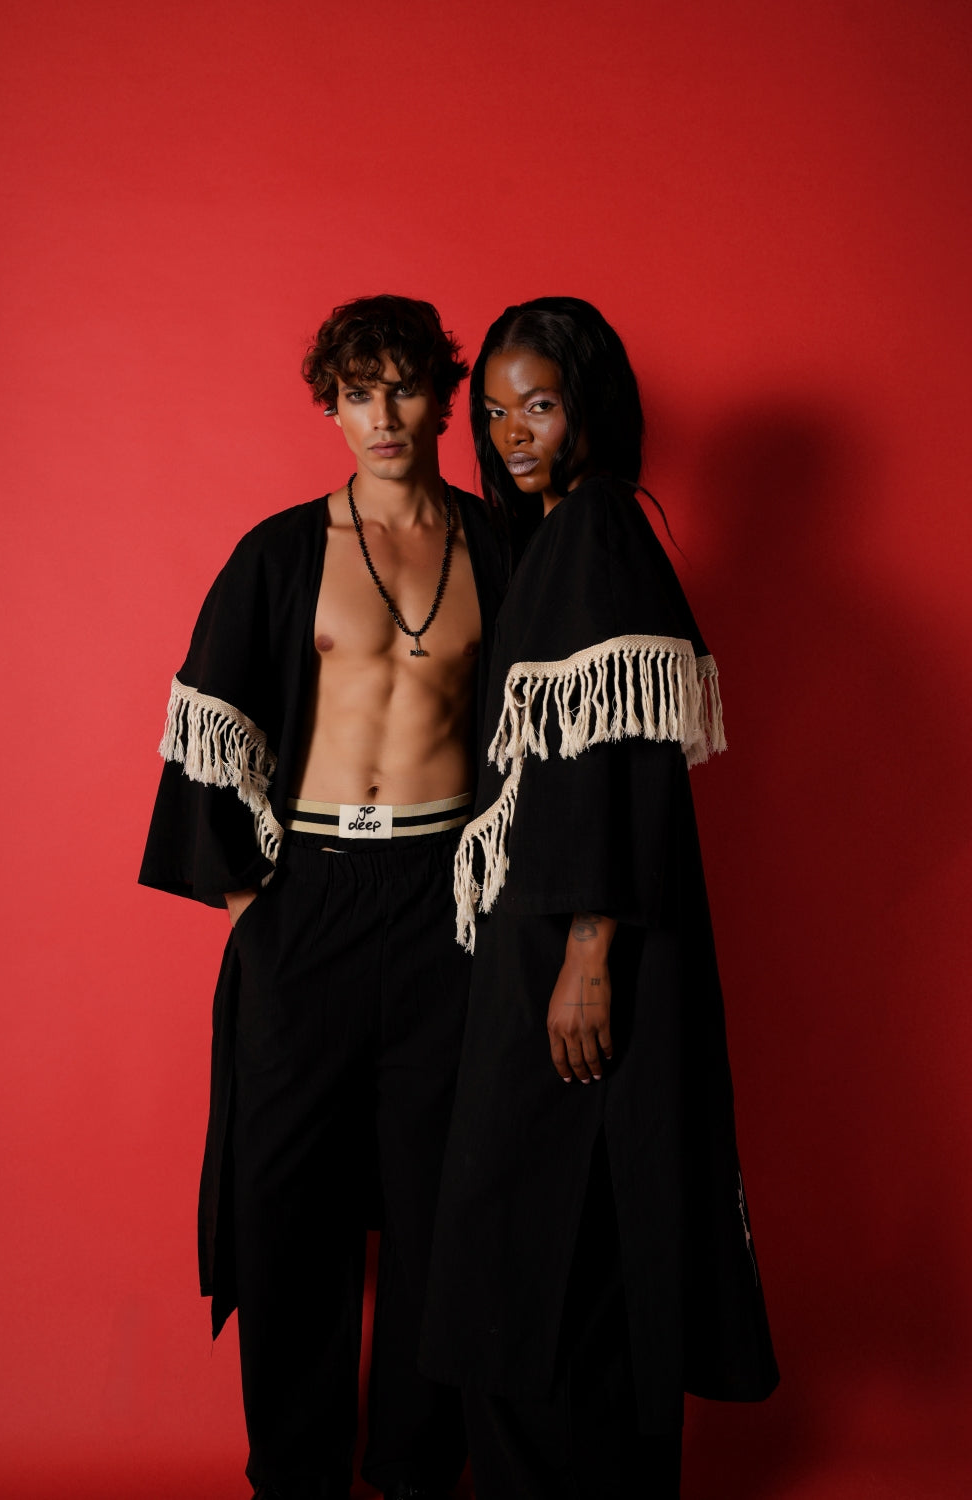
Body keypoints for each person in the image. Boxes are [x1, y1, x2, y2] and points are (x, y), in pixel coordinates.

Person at [139, 294, 506, 1500]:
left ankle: (415, 1470)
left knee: (438, 1201)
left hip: (447, 903)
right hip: (312, 893)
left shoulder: (500, 547)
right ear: (332, 407)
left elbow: (542, 737)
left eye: (404, 387)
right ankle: (295, 1477)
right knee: (286, 1198)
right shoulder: (283, 551)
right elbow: (209, 724)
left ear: (443, 400)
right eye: (358, 393)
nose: (382, 415)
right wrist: (259, 920)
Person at [420, 298, 779, 1499]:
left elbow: (615, 764)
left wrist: (586, 953)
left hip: (575, 940)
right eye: (494, 412)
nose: (512, 432)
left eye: (538, 404)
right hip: (541, 928)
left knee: (552, 1226)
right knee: (559, 1225)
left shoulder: (597, 534)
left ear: (589, 406)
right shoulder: (560, 536)